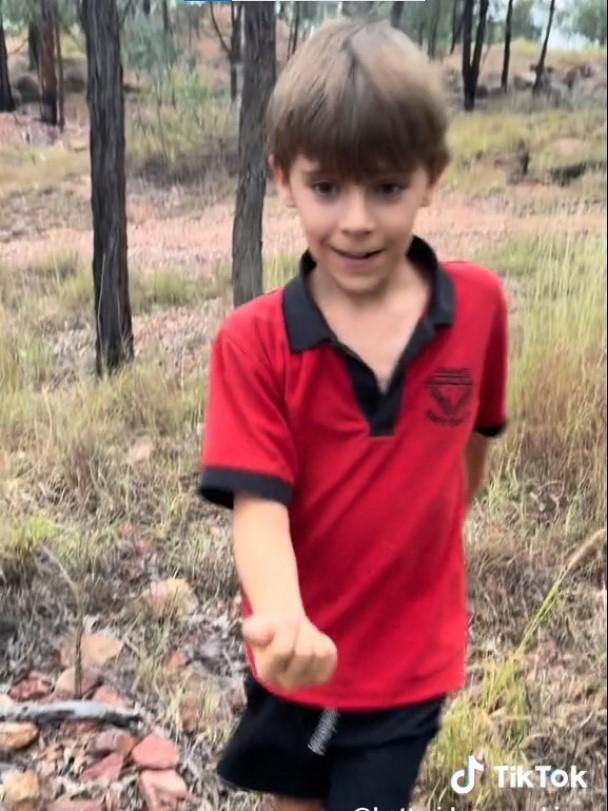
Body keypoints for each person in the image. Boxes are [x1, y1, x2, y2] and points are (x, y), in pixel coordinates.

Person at [198, 17, 508, 811]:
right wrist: (284, 614)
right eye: (327, 186)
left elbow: (471, 446)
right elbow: (258, 509)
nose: (358, 219)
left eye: (387, 186)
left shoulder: (477, 308)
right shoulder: (254, 343)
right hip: (295, 655)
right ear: (282, 177)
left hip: (408, 669)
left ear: (431, 176)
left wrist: (423, 551)